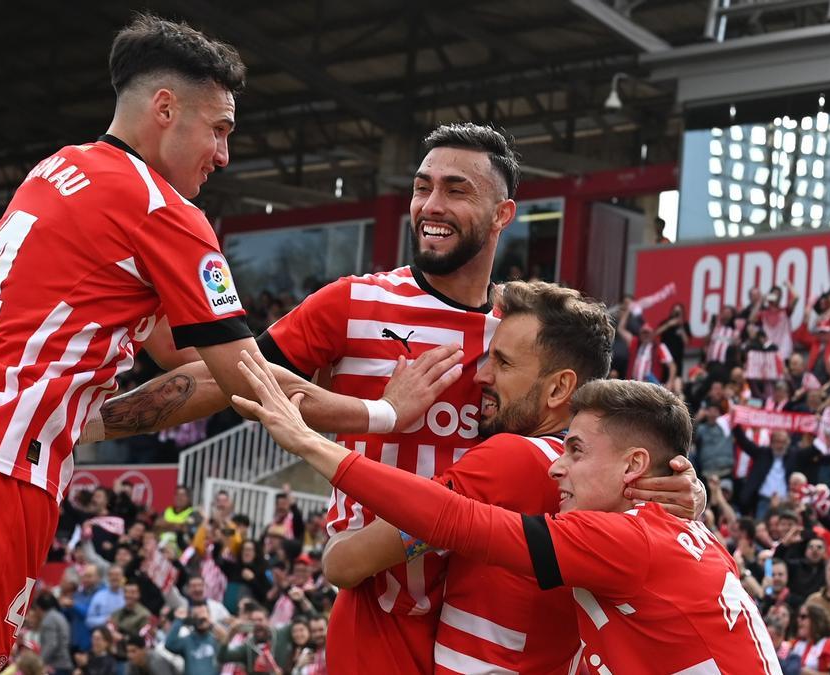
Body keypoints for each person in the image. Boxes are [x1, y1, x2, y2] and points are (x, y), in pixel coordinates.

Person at [0, 14, 423, 675]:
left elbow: (183, 359)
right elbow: (245, 379)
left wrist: (253, 358)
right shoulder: (162, 211)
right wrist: (380, 412)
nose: (225, 153)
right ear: (166, 108)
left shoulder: (57, 170)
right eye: (219, 128)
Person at [93, 124, 695, 674]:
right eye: (423, 187)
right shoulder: (355, 302)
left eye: (457, 190)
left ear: (503, 212)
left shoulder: (523, 329)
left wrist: (681, 484)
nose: (432, 206)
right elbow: (224, 377)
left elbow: (602, 435)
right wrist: (88, 427)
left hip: (493, 606)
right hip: (378, 601)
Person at [235, 358, 781, 672]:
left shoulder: (620, 536)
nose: (482, 376)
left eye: (576, 451)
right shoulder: (684, 526)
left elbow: (447, 524)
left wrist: (312, 445)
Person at [315, 281, 702, 672]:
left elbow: (345, 565)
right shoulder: (616, 481)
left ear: (559, 387)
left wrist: (375, 421)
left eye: (503, 363)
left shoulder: (512, 457)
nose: (481, 377)